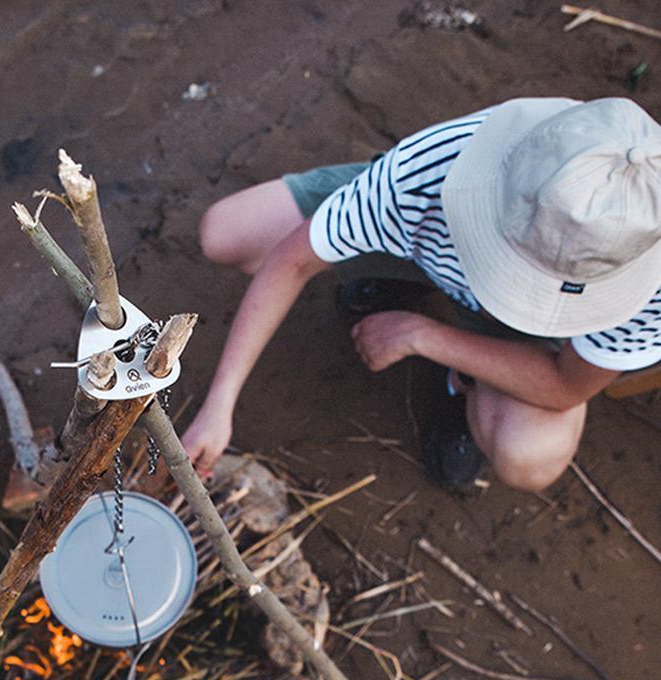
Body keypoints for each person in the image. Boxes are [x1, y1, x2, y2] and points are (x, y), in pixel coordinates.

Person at [181, 96, 661, 492]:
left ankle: (461, 382)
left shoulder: (646, 253)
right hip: (424, 246)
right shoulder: (441, 164)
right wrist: (219, 405)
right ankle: (398, 271)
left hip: (524, 338)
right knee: (228, 235)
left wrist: (423, 336)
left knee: (530, 458)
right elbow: (293, 258)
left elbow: (567, 385)